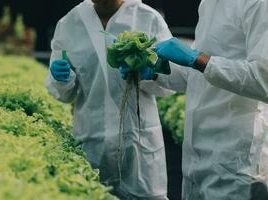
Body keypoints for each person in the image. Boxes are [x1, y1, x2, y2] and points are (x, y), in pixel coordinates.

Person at [150, 0, 268, 199]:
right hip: (197, 157)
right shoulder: (210, 3)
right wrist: (156, 72)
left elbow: (264, 80)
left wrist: (198, 58)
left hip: (234, 161)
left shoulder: (264, 3)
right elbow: (200, 75)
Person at [45, 0, 174, 199]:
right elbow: (64, 94)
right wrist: (62, 80)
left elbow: (171, 82)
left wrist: (152, 72)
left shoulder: (147, 18)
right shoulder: (69, 24)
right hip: (92, 143)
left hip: (139, 146)